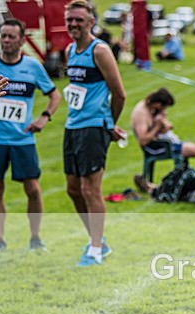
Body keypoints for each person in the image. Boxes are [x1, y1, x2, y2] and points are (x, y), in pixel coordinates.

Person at [0, 19, 60, 253]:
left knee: (33, 188)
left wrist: (44, 117)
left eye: (11, 37)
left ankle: (36, 238)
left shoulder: (33, 66)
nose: (6, 41)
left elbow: (54, 95)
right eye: (3, 36)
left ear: (22, 40)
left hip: (22, 139)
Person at [63, 0, 126, 267]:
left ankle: (97, 250)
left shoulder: (99, 51)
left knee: (91, 189)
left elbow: (119, 93)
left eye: (79, 20)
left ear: (91, 22)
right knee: (73, 189)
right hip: (72, 126)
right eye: (70, 20)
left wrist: (109, 123)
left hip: (93, 127)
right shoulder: (69, 50)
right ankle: (96, 239)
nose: (74, 24)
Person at [130, 88, 195, 165]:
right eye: (164, 107)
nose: (164, 110)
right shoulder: (141, 113)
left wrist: (163, 125)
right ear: (159, 104)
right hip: (154, 148)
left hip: (163, 143)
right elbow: (143, 141)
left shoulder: (151, 108)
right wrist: (158, 127)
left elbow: (162, 128)